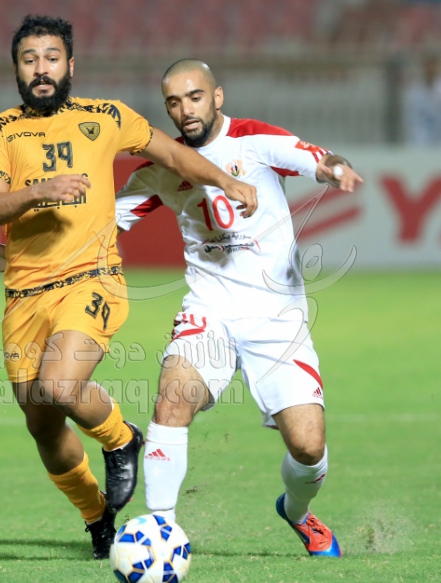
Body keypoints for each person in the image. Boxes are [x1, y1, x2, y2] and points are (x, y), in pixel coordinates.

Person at [0, 19, 257, 561]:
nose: (42, 69)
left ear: (70, 66)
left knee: (59, 384)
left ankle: (122, 438)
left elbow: (174, 156)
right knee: (42, 425)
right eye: (30, 60)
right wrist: (41, 191)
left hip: (91, 280)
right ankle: (96, 516)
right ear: (17, 70)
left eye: (52, 58)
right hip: (24, 295)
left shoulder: (107, 117)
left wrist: (225, 180)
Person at [114, 59, 363, 557]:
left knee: (308, 447)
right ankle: (161, 533)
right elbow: (101, 228)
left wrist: (333, 168)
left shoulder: (254, 140)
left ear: (217, 97)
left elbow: (317, 158)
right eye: (173, 102)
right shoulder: (163, 167)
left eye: (195, 97)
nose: (185, 110)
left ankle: (297, 512)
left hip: (277, 319)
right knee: (172, 401)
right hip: (210, 308)